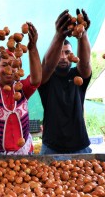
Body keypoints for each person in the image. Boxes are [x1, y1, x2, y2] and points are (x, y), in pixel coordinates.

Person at [0, 18, 42, 155]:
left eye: (14, 65)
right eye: (4, 65)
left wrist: (33, 47)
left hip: (23, 152)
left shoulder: (21, 88)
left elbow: (36, 79)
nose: (9, 69)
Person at [38, 9, 92, 154]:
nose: (63, 57)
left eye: (67, 52)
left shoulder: (78, 75)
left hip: (80, 147)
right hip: (51, 147)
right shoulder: (45, 78)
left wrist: (83, 34)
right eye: (60, 52)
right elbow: (48, 65)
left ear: (73, 54)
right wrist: (59, 35)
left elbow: (85, 64)